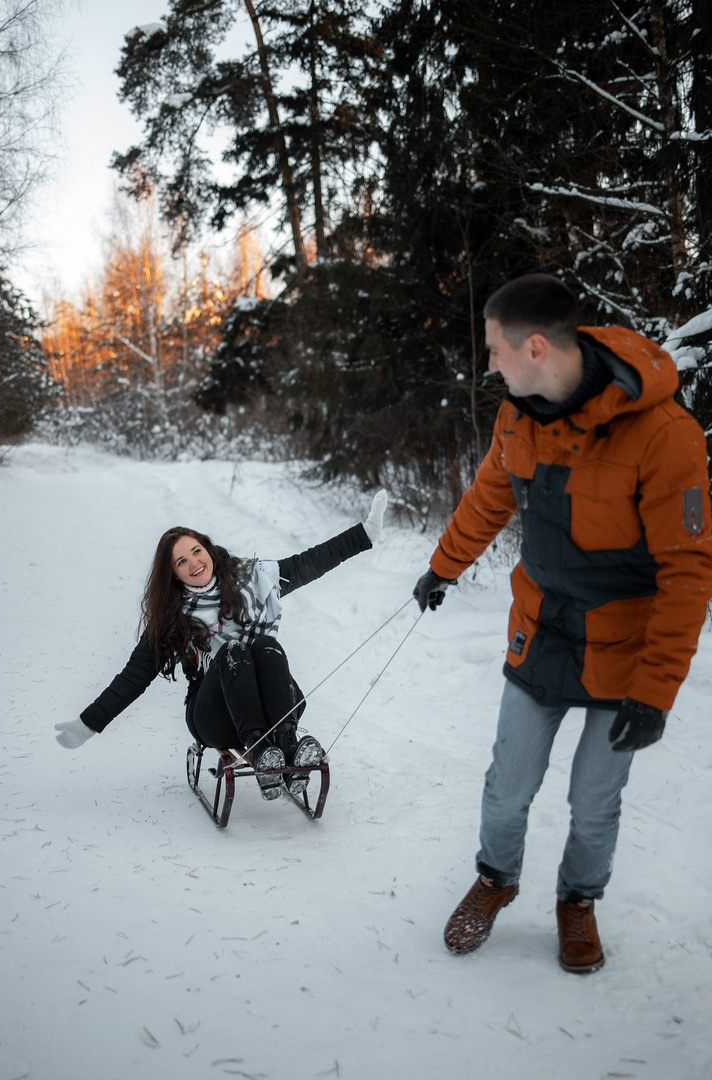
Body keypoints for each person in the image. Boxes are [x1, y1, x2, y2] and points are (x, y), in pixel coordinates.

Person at [413, 274, 712, 973]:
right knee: (507, 782)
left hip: (626, 647)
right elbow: (490, 495)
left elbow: (689, 572)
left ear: (537, 347)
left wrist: (656, 692)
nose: (488, 365)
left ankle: (577, 901)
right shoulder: (517, 414)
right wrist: (444, 566)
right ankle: (495, 879)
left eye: (494, 351)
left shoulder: (665, 435)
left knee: (594, 798)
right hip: (542, 625)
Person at [56, 491, 387, 802]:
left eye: (196, 551)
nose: (194, 563)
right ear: (172, 574)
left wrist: (364, 535)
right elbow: (133, 677)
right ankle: (261, 753)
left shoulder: (251, 580)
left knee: (265, 645)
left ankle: (287, 743)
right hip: (214, 714)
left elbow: (310, 562)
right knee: (234, 651)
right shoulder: (174, 617)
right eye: (181, 561)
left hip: (276, 705)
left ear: (208, 550)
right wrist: (88, 724)